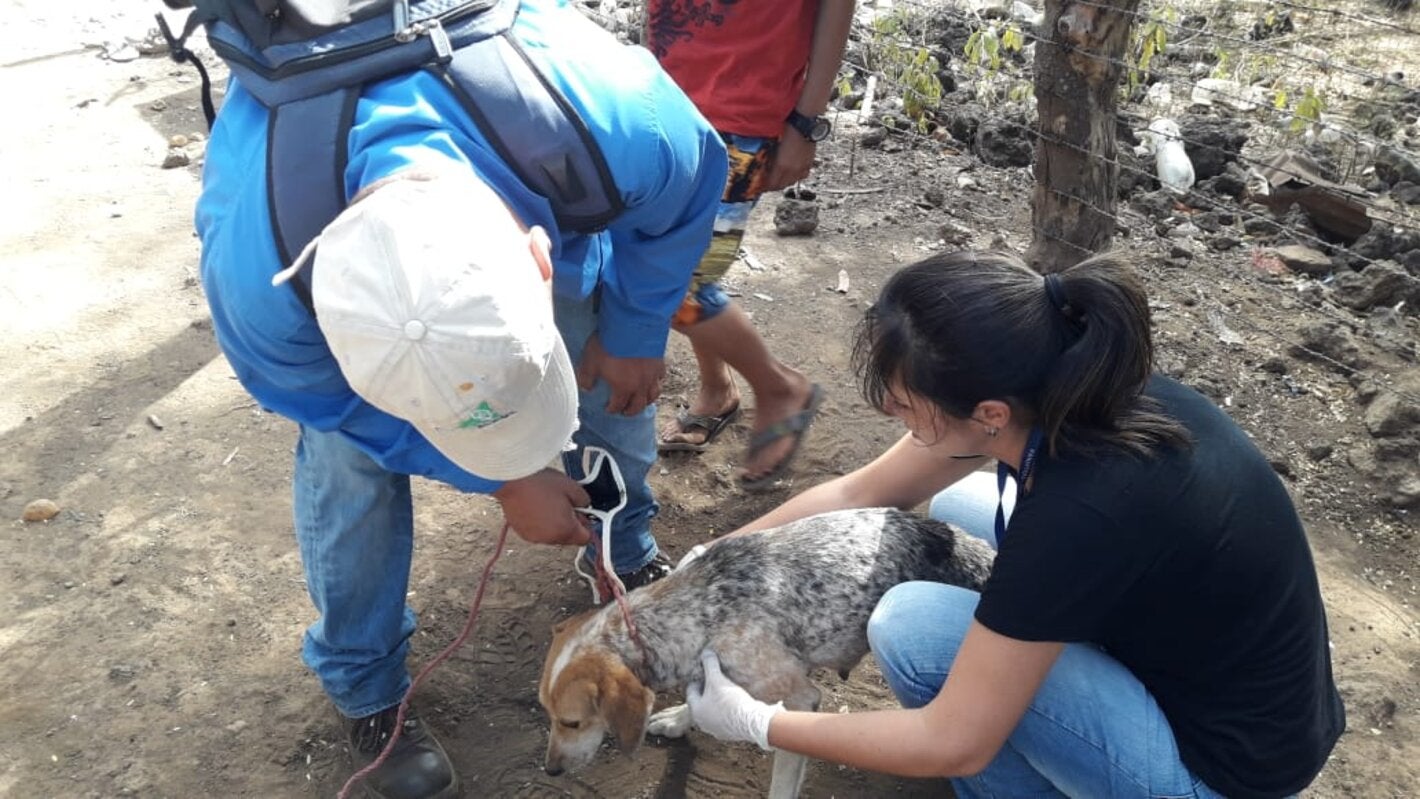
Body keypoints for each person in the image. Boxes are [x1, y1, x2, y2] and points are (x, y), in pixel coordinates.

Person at [193, 2, 728, 796]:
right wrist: (505, 477)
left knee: (606, 368)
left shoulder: (601, 115)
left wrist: (637, 326)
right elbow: (337, 407)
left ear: (540, 253)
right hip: (335, 293)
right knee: (351, 465)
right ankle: (367, 685)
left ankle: (619, 547)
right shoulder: (265, 289)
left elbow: (690, 185)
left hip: (524, 167)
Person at [680, 251, 1345, 798]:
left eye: (906, 400)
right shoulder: (1074, 385)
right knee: (953, 506)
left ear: (990, 412)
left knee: (909, 627)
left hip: (1222, 770)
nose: (888, 408)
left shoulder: (1078, 511)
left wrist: (761, 722)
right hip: (1256, 697)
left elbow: (953, 739)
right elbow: (864, 490)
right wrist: (723, 553)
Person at [647, 0, 855, 488]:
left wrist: (807, 122)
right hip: (661, 99)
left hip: (741, 122)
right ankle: (717, 389)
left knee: (680, 284)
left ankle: (779, 386)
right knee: (681, 261)